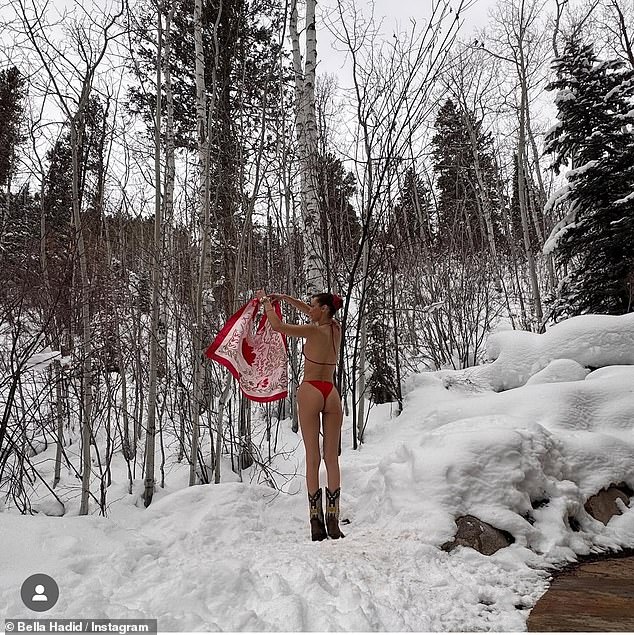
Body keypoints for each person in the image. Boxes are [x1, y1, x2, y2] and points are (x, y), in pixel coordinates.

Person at [256, 289, 345, 541]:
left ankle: (316, 524)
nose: (310, 309)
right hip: (331, 393)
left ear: (325, 309)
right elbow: (310, 312)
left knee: (313, 457)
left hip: (311, 391)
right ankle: (333, 521)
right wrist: (285, 299)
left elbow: (278, 325)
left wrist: (267, 303)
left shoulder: (313, 331)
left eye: (313, 305)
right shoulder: (335, 329)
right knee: (332, 459)